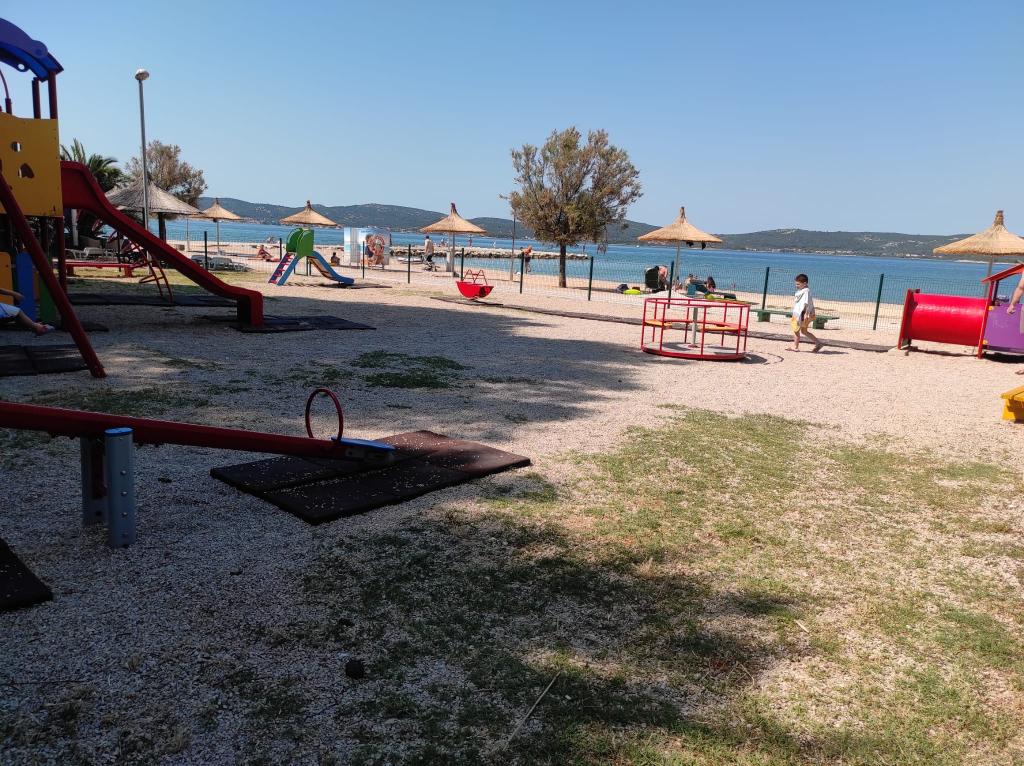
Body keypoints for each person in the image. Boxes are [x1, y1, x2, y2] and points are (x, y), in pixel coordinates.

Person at [788, 273, 822, 352]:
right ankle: (818, 343)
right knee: (803, 331)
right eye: (796, 284)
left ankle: (795, 347)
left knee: (796, 330)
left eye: (798, 284)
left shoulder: (806, 291)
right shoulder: (801, 291)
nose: (796, 286)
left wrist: (806, 314)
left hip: (801, 314)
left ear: (805, 283)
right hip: (800, 313)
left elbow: (806, 303)